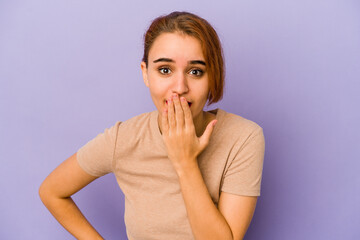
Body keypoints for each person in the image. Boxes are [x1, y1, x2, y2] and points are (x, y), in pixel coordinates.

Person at [39, 11, 265, 240]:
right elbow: (51, 192)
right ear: (145, 74)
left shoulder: (243, 137)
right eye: (165, 70)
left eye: (195, 71)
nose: (179, 87)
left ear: (213, 77)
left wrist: (185, 162)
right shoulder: (124, 138)